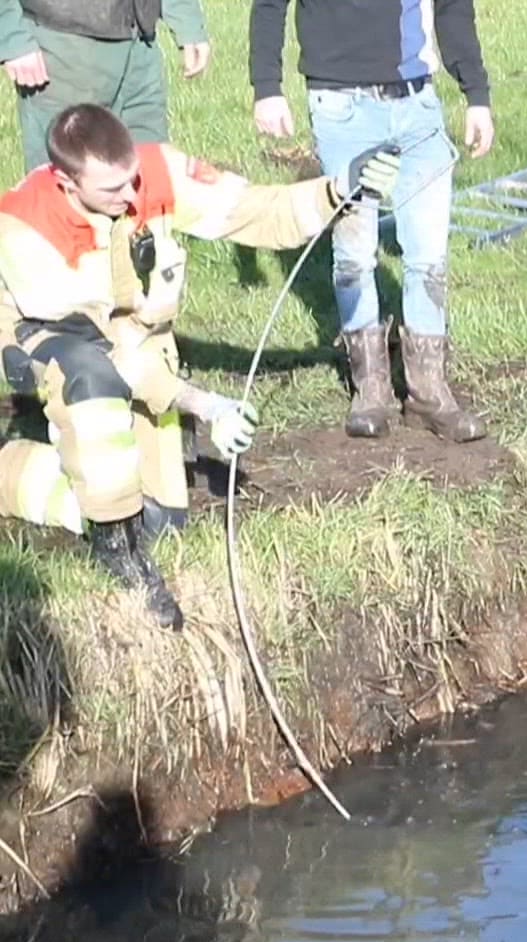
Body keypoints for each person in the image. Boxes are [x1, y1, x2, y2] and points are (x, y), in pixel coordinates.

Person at [0, 104, 400, 629]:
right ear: (65, 182)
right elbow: (115, 360)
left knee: (163, 520)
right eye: (112, 190)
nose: (130, 197)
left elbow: (256, 211)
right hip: (48, 344)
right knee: (91, 388)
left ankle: (119, 492)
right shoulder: (27, 233)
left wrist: (337, 189)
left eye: (131, 181)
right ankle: (110, 544)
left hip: (135, 347)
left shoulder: (154, 173)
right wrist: (205, 403)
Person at [248, 0, 495, 443]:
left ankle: (429, 394)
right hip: (341, 107)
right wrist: (267, 86)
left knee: (428, 256)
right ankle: (371, 390)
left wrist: (476, 95)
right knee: (355, 256)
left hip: (418, 106)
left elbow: (453, 8)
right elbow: (268, 5)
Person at [1, 0, 212, 173]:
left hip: (139, 45)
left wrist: (186, 17)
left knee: (150, 173)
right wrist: (11, 36)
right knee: (66, 186)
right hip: (62, 44)